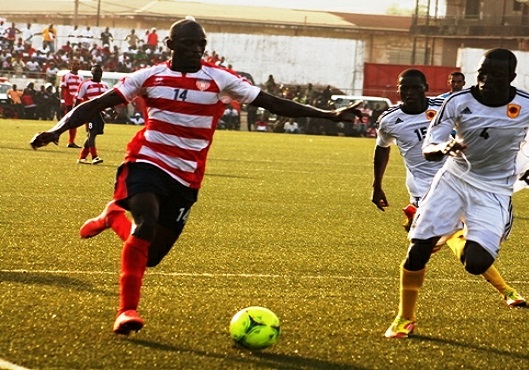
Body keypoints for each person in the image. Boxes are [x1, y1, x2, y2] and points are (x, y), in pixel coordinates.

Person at [30, 17, 362, 336]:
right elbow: (95, 105)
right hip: (147, 159)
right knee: (146, 223)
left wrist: (329, 114)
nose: (195, 49)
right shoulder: (149, 76)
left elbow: (272, 103)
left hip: (187, 175)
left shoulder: (221, 80)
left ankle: (113, 216)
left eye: (200, 44)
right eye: (188, 43)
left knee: (153, 257)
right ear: (171, 44)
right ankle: (126, 312)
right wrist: (56, 128)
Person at [383, 48, 529, 339]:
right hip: (452, 180)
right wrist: (443, 148)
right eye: (482, 73)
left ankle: (461, 236)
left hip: (493, 188)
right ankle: (404, 318)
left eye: (496, 75)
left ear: (511, 78)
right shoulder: (457, 101)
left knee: (476, 263)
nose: (487, 79)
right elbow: (430, 146)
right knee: (419, 249)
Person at [372, 68, 527, 312]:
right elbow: (382, 147)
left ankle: (420, 226)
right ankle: (506, 290)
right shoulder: (390, 120)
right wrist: (377, 185)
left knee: (473, 245)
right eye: (405, 88)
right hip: (425, 191)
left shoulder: (444, 105)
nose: (410, 93)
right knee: (457, 240)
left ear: (426, 88)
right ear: (398, 90)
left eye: (416, 87)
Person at [75, 64, 110, 165]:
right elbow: (78, 99)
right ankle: (94, 156)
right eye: (96, 72)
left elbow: (107, 100)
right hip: (89, 112)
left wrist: (111, 110)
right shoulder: (85, 84)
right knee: (92, 133)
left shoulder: (105, 85)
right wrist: (75, 112)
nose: (98, 74)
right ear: (92, 73)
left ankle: (82, 157)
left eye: (100, 72)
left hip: (100, 113)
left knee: (93, 134)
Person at [60, 59, 83, 148]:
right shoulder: (66, 76)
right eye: (74, 64)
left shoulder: (81, 77)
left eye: (78, 64)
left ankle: (71, 141)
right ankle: (57, 135)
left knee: (74, 121)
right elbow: (62, 88)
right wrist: (62, 100)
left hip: (77, 101)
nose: (76, 65)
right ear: (70, 65)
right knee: (68, 121)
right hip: (69, 101)